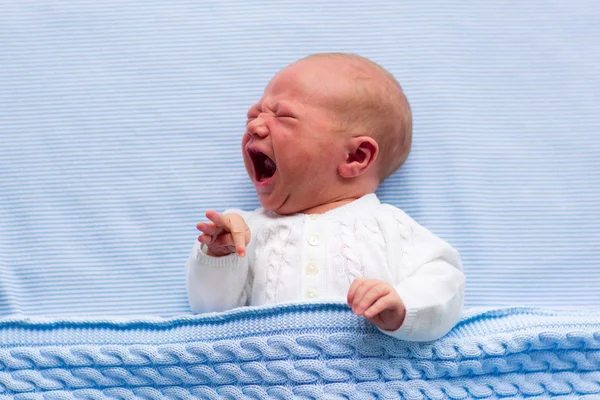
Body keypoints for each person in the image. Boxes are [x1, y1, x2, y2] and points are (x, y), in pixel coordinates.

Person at [186, 53, 465, 341]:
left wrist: (404, 305)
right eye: (254, 115)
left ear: (356, 156)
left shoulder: (389, 226)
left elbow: (445, 280)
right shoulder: (244, 229)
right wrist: (220, 257)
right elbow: (210, 313)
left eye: (282, 116)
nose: (253, 126)